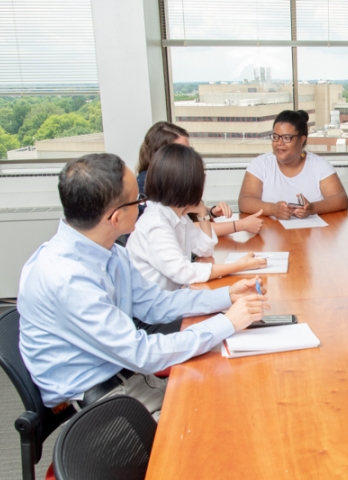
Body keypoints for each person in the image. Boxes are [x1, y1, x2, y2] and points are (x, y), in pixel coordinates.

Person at [17, 153, 268, 414]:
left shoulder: (110, 252)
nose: (144, 205)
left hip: (128, 378)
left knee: (233, 391)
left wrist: (227, 295)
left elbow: (156, 304)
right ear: (115, 218)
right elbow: (142, 353)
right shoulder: (67, 278)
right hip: (99, 406)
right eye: (139, 199)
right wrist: (227, 322)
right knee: (217, 416)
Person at [127, 144, 267, 291]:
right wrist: (239, 266)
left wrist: (202, 212)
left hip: (169, 298)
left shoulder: (178, 216)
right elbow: (185, 273)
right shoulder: (156, 223)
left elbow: (204, 249)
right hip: (154, 308)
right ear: (189, 184)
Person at [137, 122, 263, 236]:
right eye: (182, 151)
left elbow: (186, 213)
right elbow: (188, 228)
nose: (189, 157)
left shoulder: (169, 179)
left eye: (189, 150)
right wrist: (241, 225)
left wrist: (211, 212)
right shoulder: (147, 184)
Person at [238, 110, 348, 219]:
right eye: (275, 137)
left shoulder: (319, 165)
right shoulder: (260, 164)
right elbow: (244, 201)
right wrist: (272, 209)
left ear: (301, 139)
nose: (279, 143)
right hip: (270, 233)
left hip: (312, 234)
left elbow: (341, 199)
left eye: (286, 138)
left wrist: (312, 208)